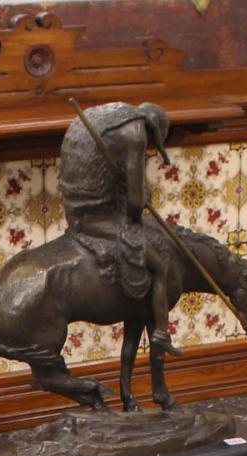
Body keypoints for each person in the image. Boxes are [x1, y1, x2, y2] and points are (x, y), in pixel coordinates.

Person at [58, 101, 182, 357]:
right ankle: (160, 333)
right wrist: (139, 202)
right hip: (97, 217)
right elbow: (135, 203)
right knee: (160, 266)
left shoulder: (111, 115)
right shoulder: (135, 134)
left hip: (75, 208)